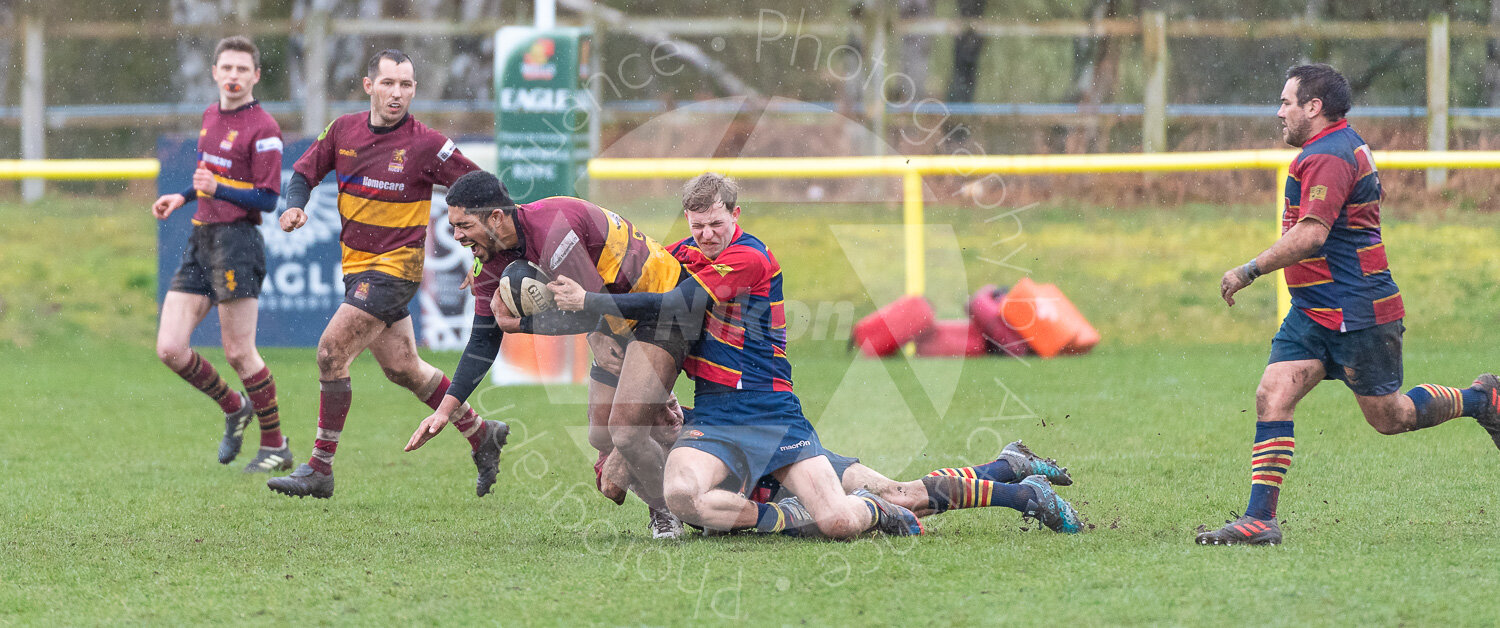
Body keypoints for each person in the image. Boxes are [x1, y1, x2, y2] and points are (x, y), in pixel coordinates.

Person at [1198, 63, 1500, 546]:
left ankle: (1481, 399)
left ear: (1313, 108)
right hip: (1315, 310)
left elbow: (1313, 235)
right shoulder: (1330, 147)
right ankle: (1259, 520)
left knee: (1390, 417)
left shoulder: (1331, 156)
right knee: (1272, 394)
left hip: (1357, 310)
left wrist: (1249, 269)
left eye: (1286, 102)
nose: (1279, 112)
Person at [550, 173, 934, 539]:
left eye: (716, 223)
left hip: (771, 411)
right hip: (716, 413)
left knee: (837, 522)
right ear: (687, 219)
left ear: (735, 214)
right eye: (697, 225)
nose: (706, 235)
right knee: (681, 495)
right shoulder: (682, 253)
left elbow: (673, 303)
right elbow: (637, 287)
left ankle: (872, 507)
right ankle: (787, 517)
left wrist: (588, 301)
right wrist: (597, 332)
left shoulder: (750, 256)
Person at [402, 170, 693, 537]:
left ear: (495, 218)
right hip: (615, 320)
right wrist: (445, 411)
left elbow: (589, 309)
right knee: (601, 439)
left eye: (463, 225)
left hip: (661, 310)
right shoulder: (492, 256)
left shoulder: (555, 230)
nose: (456, 235)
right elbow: (483, 338)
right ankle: (679, 435)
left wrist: (523, 326)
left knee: (626, 433)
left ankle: (669, 510)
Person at [268, 50, 505, 499]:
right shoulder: (343, 131)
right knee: (403, 369)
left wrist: (484, 254)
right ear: (368, 85)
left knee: (330, 352)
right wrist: (295, 205)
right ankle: (481, 433)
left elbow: (488, 191)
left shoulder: (426, 145)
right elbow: (303, 172)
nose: (398, 93)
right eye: (389, 83)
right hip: (357, 268)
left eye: (407, 85)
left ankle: (319, 467)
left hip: (395, 269)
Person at [150, 36, 291, 473]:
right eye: (226, 68)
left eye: (241, 69)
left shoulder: (264, 128)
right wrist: (185, 194)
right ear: (215, 72)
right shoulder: (211, 115)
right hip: (201, 237)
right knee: (171, 348)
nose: (233, 76)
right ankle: (234, 407)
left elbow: (268, 198)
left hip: (238, 243)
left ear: (256, 76)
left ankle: (275, 445)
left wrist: (216, 189)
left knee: (239, 353)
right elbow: (211, 177)